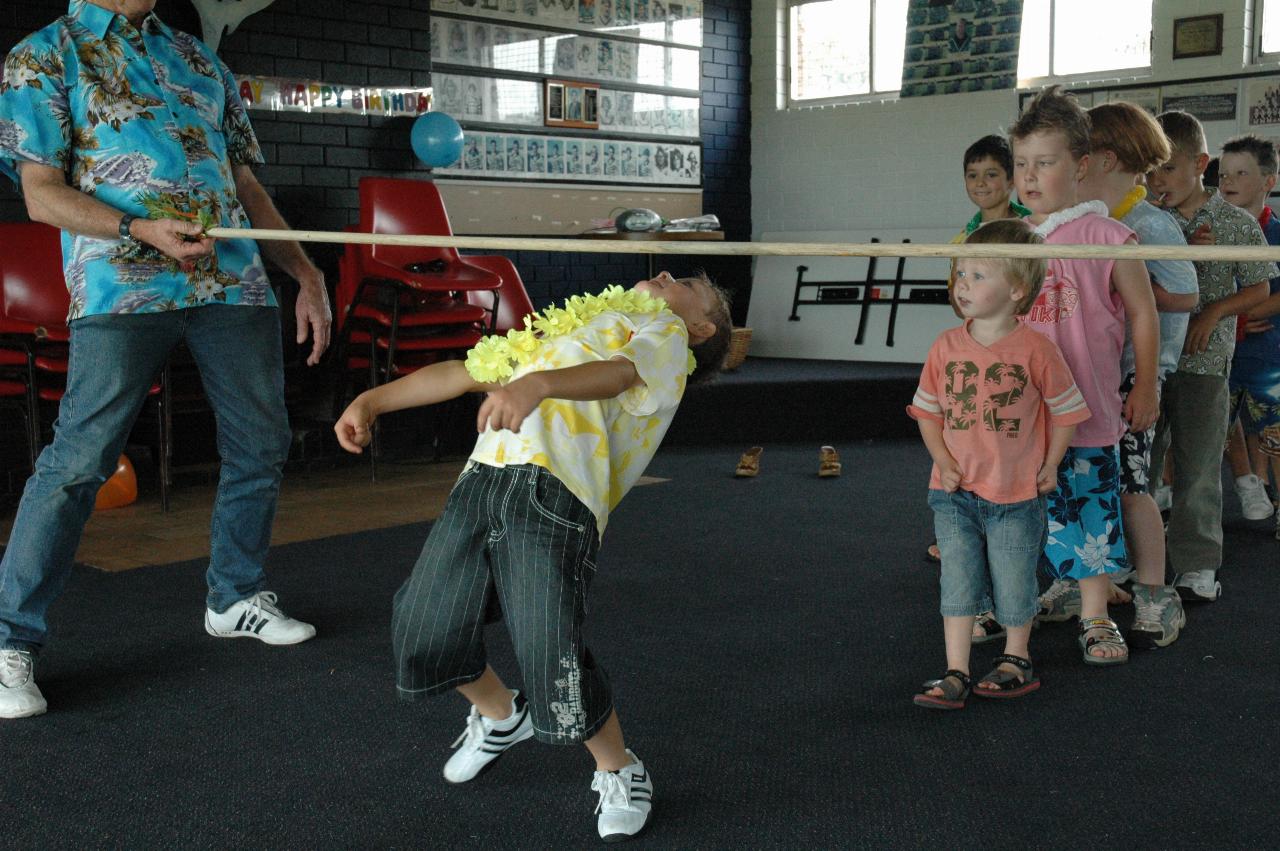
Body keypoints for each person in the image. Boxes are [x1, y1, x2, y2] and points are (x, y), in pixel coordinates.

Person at [0, 0, 332, 720]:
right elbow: (40, 195)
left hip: (232, 278)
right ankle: (9, 642)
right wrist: (138, 227)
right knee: (80, 460)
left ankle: (235, 595)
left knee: (261, 442)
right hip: (123, 281)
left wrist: (304, 272)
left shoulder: (196, 56)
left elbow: (245, 188)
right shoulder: (43, 54)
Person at [334, 273, 732, 842]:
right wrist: (370, 400)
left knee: (551, 647)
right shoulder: (562, 327)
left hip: (557, 493)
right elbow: (459, 372)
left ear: (702, 326)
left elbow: (620, 373)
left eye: (688, 282)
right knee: (422, 627)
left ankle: (618, 769)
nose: (667, 275)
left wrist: (536, 385)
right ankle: (501, 715)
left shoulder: (665, 333)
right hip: (481, 483)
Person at [910, 220, 1089, 709]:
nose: (962, 285)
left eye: (977, 275)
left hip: (1015, 494)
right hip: (953, 494)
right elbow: (927, 412)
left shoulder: (1037, 349)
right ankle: (955, 670)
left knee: (1014, 580)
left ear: (1017, 288)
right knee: (959, 580)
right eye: (959, 274)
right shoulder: (945, 346)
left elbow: (1067, 412)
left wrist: (1050, 465)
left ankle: (1016, 658)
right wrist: (943, 461)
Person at [1010, 87, 1161, 666]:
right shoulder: (1016, 238)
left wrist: (1144, 384)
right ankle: (1032, 597)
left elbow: (1144, 313)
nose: (1029, 176)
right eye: (1021, 163)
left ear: (1079, 166)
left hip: (1089, 409)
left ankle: (1096, 617)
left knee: (1090, 514)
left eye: (1043, 163)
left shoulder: (1105, 236)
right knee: (1024, 510)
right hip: (1024, 414)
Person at [1072, 101, 1199, 649]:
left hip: (1133, 376)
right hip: (1096, 376)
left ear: (1106, 158)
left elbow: (1186, 293)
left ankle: (1155, 593)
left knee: (1130, 485)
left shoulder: (1147, 222)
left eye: (1077, 159)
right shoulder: (1094, 217)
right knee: (1090, 484)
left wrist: (1129, 287)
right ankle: (1092, 582)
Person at [1147, 112, 1274, 602]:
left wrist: (1215, 311)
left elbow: (1259, 287)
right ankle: (1132, 559)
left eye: (1169, 170)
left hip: (1204, 364)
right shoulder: (1146, 222)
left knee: (1198, 467)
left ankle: (1198, 564)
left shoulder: (1233, 223)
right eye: (1151, 172)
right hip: (1149, 362)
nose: (1159, 182)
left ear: (1201, 164)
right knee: (1145, 466)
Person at [929, 134, 1030, 576]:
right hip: (977, 348)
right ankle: (963, 525)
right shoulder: (963, 237)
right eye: (973, 176)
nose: (982, 183)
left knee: (1014, 435)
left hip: (1024, 344)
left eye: (992, 175)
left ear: (1010, 181)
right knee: (971, 429)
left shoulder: (1032, 228)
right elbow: (957, 295)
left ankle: (1019, 522)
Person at [1217, 134, 1280, 536]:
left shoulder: (1275, 232)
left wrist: (1246, 313)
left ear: (1268, 181)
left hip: (1268, 357)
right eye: (1223, 174)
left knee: (1273, 431)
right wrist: (1237, 320)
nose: (1230, 181)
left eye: (1242, 173)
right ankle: (1249, 486)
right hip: (1220, 352)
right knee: (1223, 427)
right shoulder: (1210, 232)